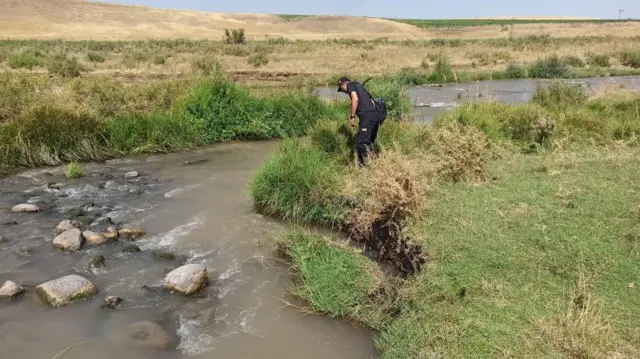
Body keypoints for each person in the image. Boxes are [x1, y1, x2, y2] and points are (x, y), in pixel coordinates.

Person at [337, 77, 381, 167]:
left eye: (341, 90)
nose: (344, 92)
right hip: (375, 117)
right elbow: (372, 102)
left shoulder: (351, 85)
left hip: (367, 117)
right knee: (368, 142)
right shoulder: (360, 86)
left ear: (343, 84)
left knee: (361, 142)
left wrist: (352, 117)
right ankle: (376, 162)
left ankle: (367, 165)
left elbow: (355, 99)